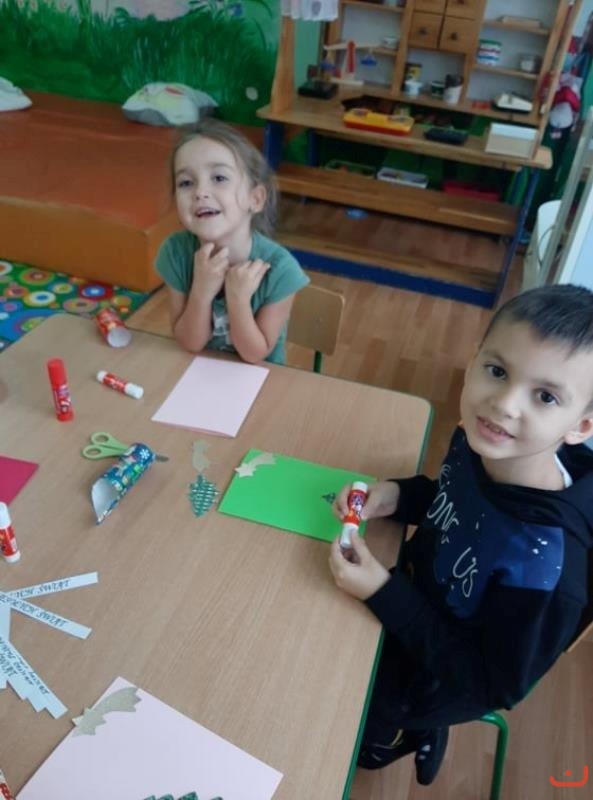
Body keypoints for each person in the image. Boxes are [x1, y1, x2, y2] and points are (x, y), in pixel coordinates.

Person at [329, 284, 593, 785]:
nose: (503, 404)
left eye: (545, 396)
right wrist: (397, 496)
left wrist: (382, 592)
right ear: (472, 363)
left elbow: (492, 684)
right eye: (497, 371)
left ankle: (410, 735)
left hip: (435, 678)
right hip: (409, 601)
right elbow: (456, 502)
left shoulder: (545, 567)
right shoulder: (484, 440)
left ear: (579, 426)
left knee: (360, 734)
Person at [156, 119, 309, 364]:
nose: (200, 192)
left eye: (219, 178)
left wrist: (237, 299)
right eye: (186, 182)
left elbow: (254, 354)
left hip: (260, 380)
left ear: (255, 199)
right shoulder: (175, 252)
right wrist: (201, 291)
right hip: (197, 373)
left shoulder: (281, 269)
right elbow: (190, 343)